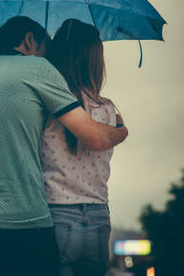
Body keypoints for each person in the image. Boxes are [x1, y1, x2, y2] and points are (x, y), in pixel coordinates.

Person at [0, 16, 128, 276]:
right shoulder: (38, 69)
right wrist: (121, 130)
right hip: (24, 226)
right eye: (47, 51)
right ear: (30, 40)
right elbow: (94, 138)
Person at [42, 18, 124, 276]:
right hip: (99, 218)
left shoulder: (47, 106)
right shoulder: (108, 109)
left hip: (56, 215)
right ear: (95, 60)